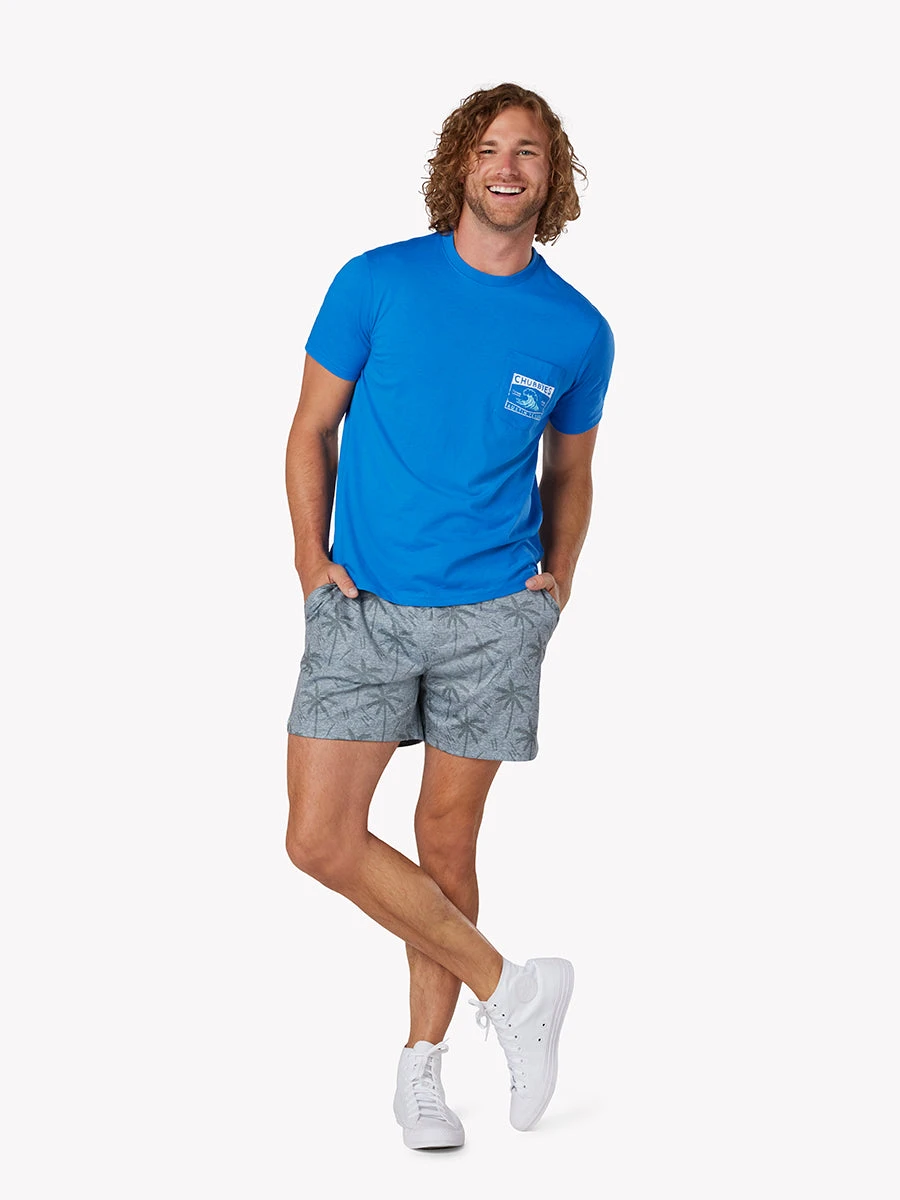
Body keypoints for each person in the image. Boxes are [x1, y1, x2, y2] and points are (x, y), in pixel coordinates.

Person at [284, 82, 614, 1150]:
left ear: (552, 176)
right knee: (319, 840)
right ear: (459, 166)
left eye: (530, 150)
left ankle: (422, 1070)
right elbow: (310, 428)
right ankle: (514, 989)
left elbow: (571, 472)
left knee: (444, 838)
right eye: (489, 147)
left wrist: (559, 581)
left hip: (494, 618)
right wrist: (310, 562)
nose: (507, 166)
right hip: (364, 607)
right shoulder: (377, 281)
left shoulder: (577, 329)